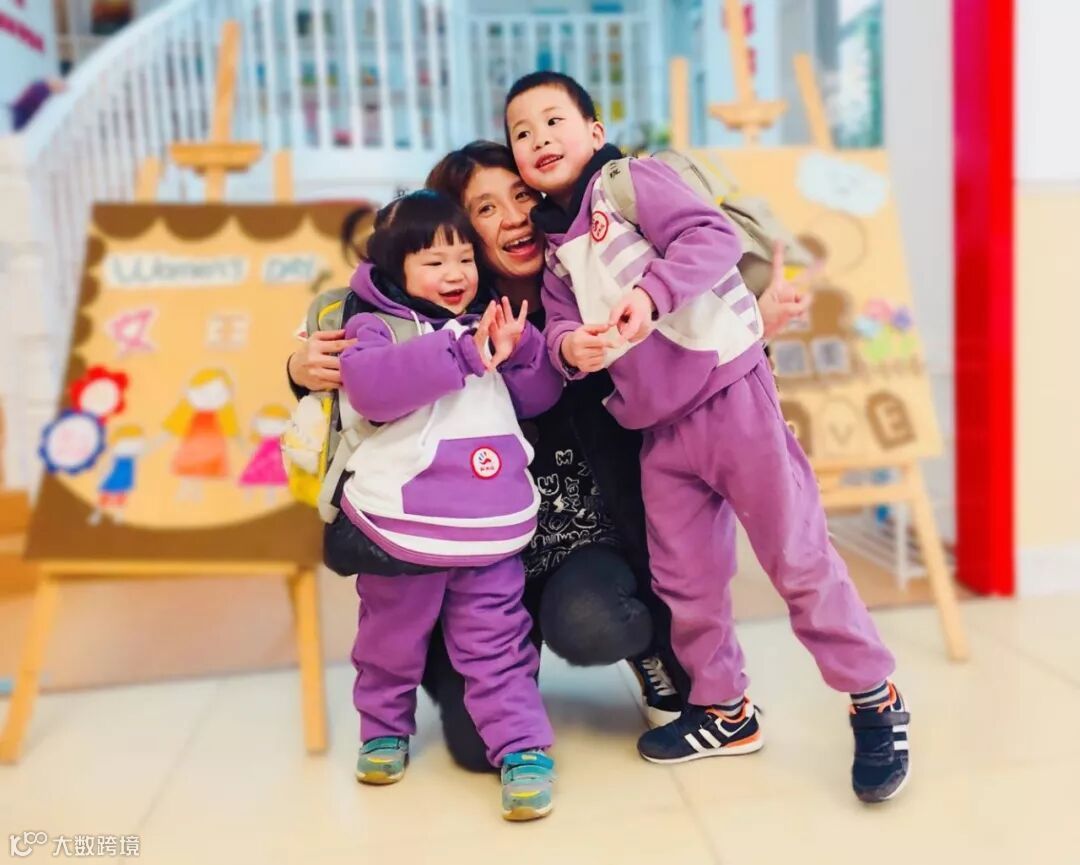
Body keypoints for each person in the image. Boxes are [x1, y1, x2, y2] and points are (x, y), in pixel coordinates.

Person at [505, 70, 909, 804]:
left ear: (594, 131)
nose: (539, 139)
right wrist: (569, 348)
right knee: (684, 581)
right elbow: (559, 325)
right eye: (522, 133)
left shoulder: (631, 183)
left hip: (731, 394)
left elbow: (711, 235)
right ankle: (725, 709)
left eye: (553, 121)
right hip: (659, 430)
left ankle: (874, 697)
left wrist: (650, 293)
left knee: (796, 557)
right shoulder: (558, 251)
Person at [334, 189, 561, 821]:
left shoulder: (493, 316)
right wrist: (462, 352)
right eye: (434, 262)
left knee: (499, 642)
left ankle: (523, 747)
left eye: (463, 259)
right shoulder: (375, 326)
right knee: (390, 636)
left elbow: (539, 397)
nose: (455, 273)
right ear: (395, 268)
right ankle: (383, 729)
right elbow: (373, 389)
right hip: (404, 523)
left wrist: (523, 352)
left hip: (489, 523)